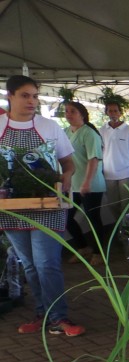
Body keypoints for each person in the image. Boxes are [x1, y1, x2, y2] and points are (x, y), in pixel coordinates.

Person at [0, 75, 83, 336]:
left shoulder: (50, 127)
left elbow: (69, 164)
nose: (32, 101)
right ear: (9, 96)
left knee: (47, 262)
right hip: (11, 208)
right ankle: (42, 313)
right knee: (29, 264)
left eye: (35, 96)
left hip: (48, 204)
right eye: (25, 95)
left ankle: (58, 318)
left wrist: (66, 180)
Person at [63, 101, 106, 265]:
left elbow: (93, 159)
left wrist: (87, 183)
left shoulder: (89, 133)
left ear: (82, 114)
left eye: (72, 111)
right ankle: (83, 247)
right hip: (72, 184)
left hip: (91, 184)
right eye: (66, 111)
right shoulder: (65, 132)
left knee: (93, 218)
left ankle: (99, 252)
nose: (68, 114)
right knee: (66, 217)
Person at [101, 101, 129, 221]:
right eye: (110, 110)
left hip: (126, 172)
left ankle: (127, 229)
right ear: (106, 112)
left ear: (120, 113)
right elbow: (98, 152)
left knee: (126, 205)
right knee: (112, 204)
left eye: (115, 111)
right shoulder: (102, 130)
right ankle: (119, 227)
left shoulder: (128, 130)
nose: (113, 113)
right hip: (108, 173)